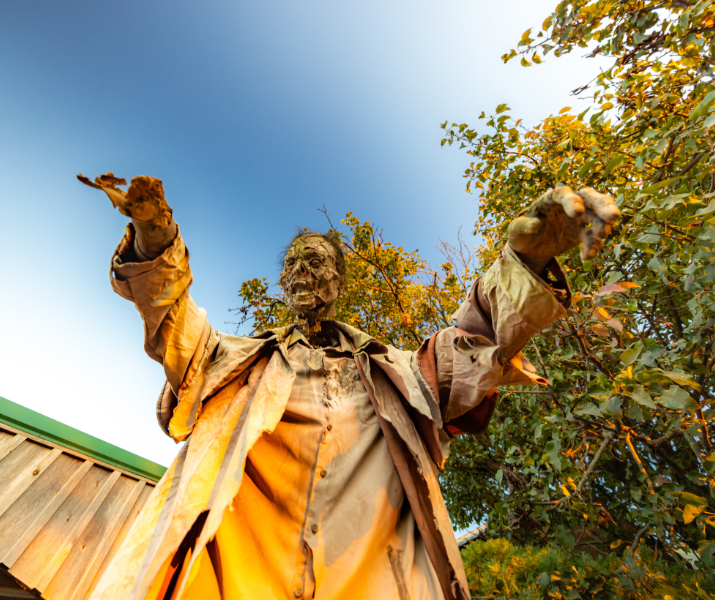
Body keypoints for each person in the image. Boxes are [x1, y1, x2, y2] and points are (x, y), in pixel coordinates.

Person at [79, 173, 620, 600]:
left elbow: (475, 340)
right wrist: (155, 235)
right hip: (232, 572)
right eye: (293, 264)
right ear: (282, 283)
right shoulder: (230, 362)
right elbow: (170, 317)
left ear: (339, 281)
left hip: (372, 576)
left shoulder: (401, 374)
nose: (302, 272)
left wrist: (527, 259)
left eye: (316, 262)